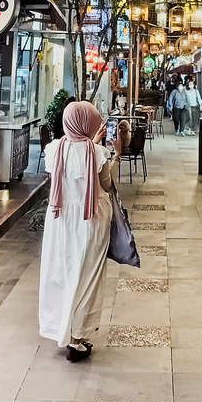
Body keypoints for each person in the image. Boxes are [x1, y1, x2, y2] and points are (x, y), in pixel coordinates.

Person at [39, 101, 120, 361]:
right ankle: (77, 339)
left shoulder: (54, 149)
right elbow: (106, 184)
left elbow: (69, 168)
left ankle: (62, 330)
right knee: (87, 276)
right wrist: (115, 155)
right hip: (90, 219)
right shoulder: (97, 153)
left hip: (60, 219)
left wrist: (91, 145)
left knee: (62, 273)